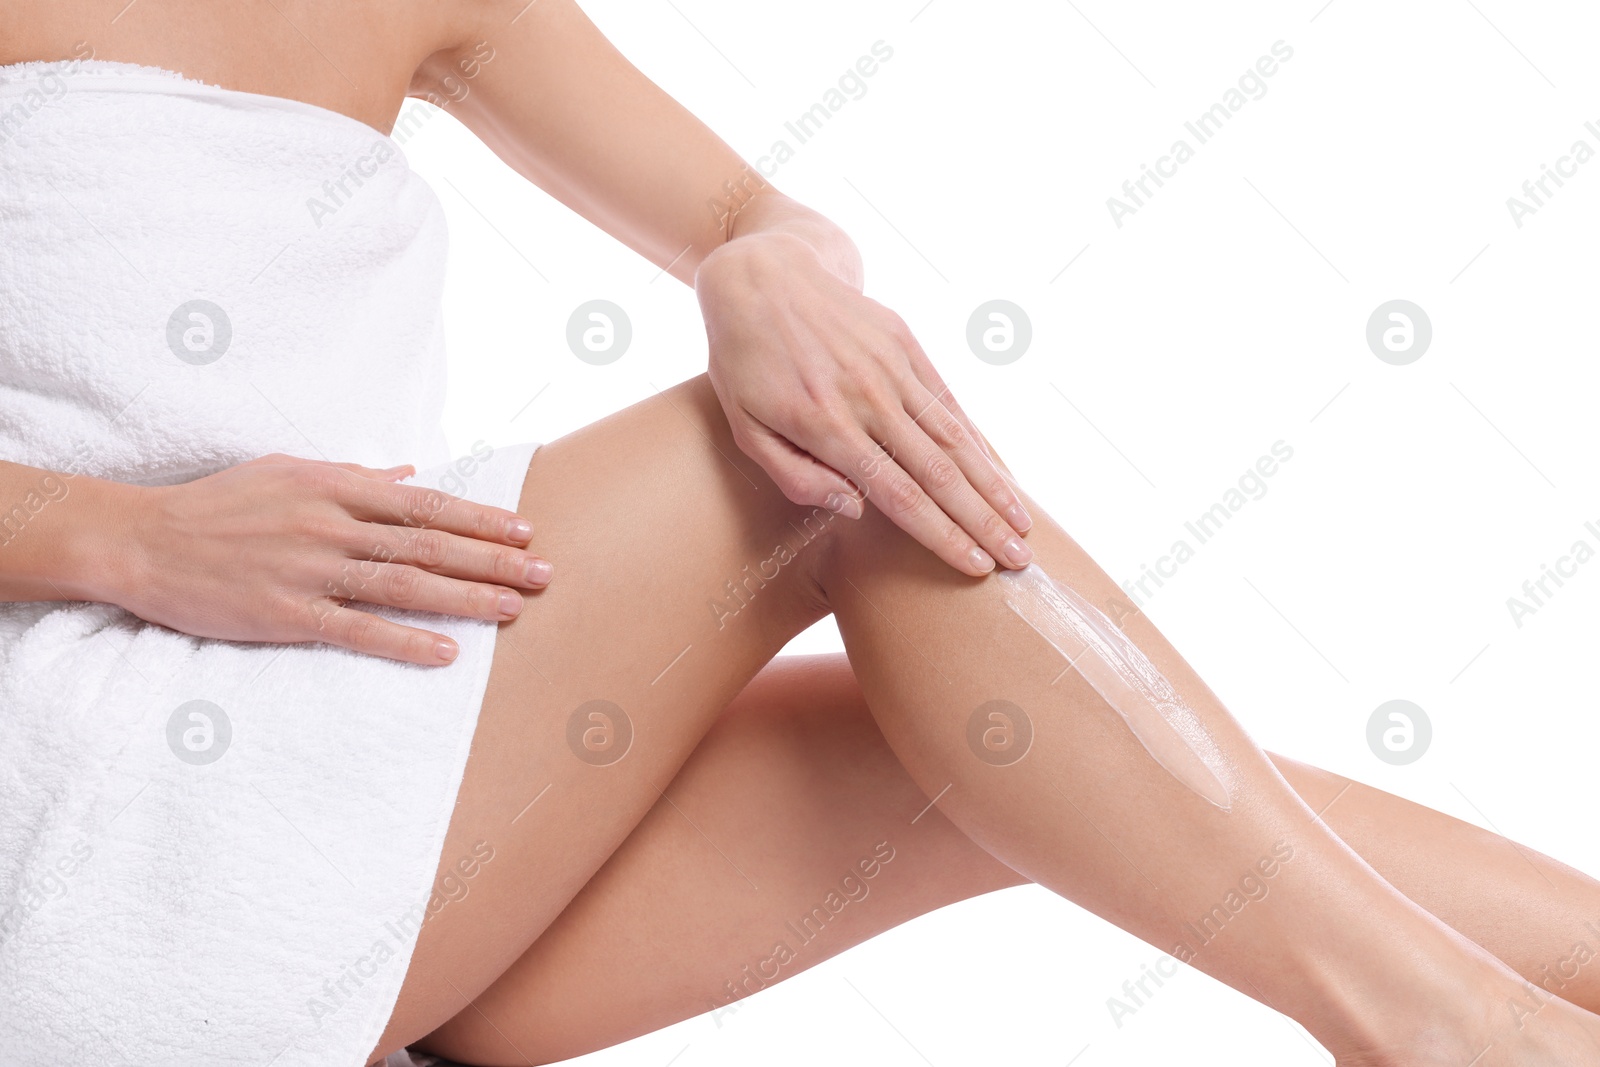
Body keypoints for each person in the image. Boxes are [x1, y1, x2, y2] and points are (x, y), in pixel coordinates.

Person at [1, 3, 1598, 1065]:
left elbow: (746, 215)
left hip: (352, 806)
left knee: (970, 748)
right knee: (808, 471)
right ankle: (1447, 1031)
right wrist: (116, 538)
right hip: (84, 814)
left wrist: (760, 267)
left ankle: (1542, 998)